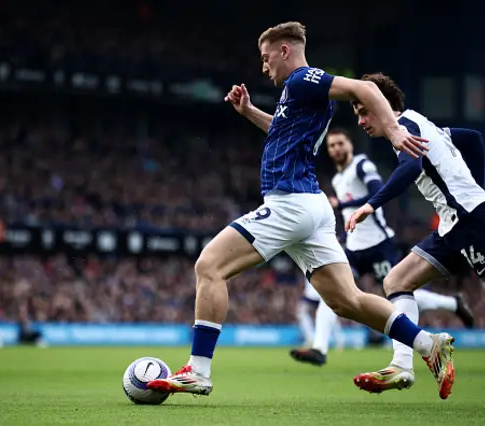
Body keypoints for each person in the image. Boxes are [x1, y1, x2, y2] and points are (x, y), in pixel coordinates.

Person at [147, 22, 456, 400]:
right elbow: (280, 131)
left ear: (284, 51)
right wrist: (248, 112)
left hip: (289, 202)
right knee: (348, 301)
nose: (264, 68)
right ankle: (428, 344)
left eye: (265, 58)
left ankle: (198, 371)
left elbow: (366, 88)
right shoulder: (298, 96)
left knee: (209, 266)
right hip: (311, 206)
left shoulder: (301, 80)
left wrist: (392, 130)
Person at [345, 72, 485, 395]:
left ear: (384, 105)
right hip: (455, 222)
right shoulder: (426, 126)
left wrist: (371, 204)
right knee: (396, 282)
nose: (361, 120)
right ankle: (402, 365)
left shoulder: (406, 126)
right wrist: (475, 186)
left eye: (364, 110)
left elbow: (410, 168)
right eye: (357, 114)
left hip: (469, 219)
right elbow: (473, 139)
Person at [290, 128, 474, 367]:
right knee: (334, 289)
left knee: (398, 294)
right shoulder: (338, 178)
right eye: (332, 145)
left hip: (378, 245)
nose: (336, 149)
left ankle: (453, 304)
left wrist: (343, 203)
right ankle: (319, 348)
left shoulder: (362, 165)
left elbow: (377, 191)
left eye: (340, 143)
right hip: (354, 248)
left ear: (350, 145)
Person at [296, 277, 345, 351]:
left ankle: (339, 340)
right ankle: (310, 338)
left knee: (330, 317)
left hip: (324, 294)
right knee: (300, 313)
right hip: (310, 295)